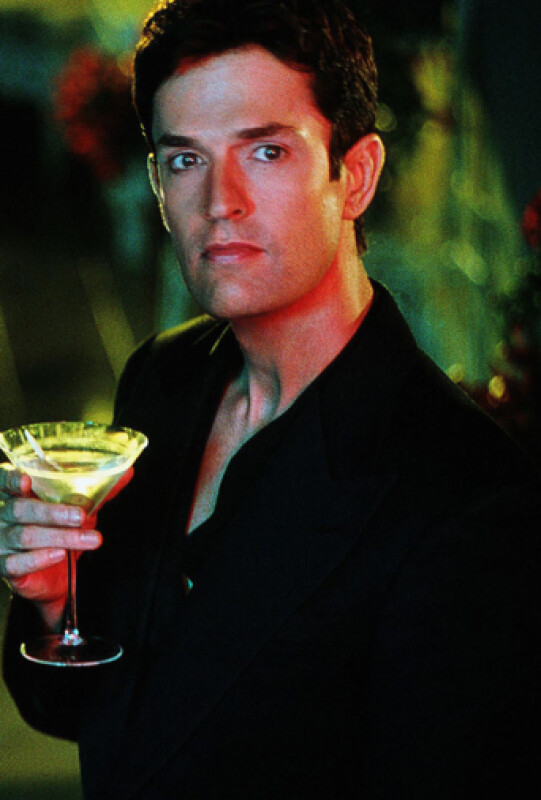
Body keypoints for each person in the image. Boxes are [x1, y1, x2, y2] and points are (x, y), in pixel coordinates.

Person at [1, 1, 540, 797]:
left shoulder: (468, 499)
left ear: (355, 176)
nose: (220, 201)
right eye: (185, 160)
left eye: (265, 151)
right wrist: (56, 607)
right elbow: (107, 722)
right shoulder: (160, 379)